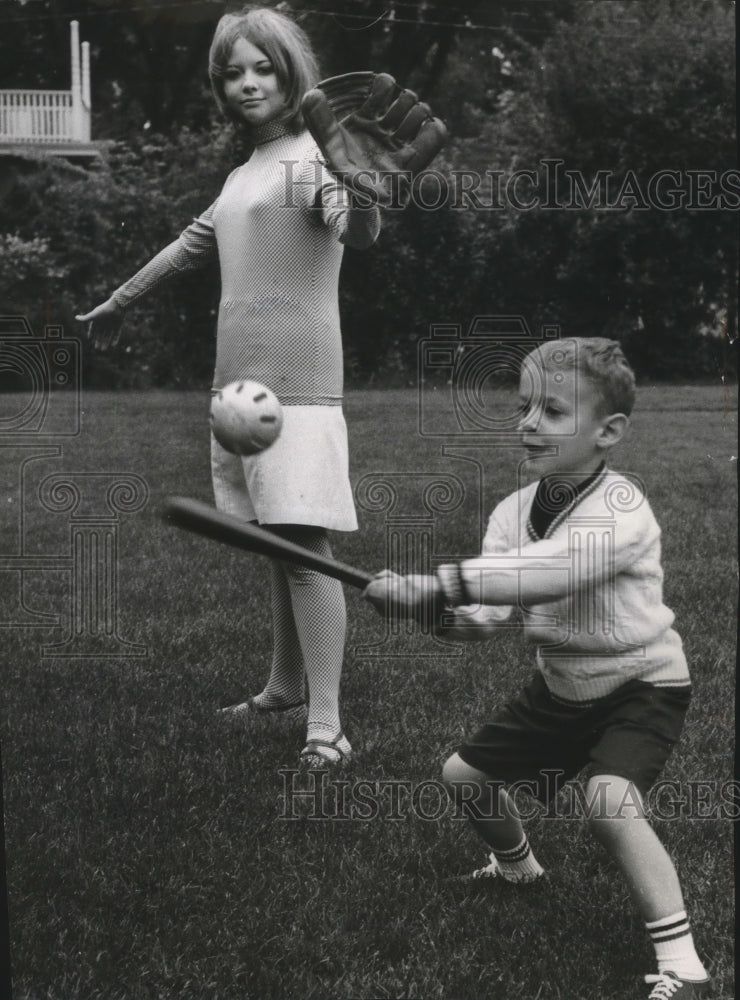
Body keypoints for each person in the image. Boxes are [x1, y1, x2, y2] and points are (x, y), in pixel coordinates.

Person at [77, 5, 385, 767]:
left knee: (305, 547)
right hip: (241, 388)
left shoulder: (316, 158)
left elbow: (357, 228)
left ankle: (328, 723)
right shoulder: (246, 169)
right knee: (277, 542)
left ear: (292, 73)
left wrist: (364, 187)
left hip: (299, 387)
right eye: (232, 72)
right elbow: (192, 243)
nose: (246, 84)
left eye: (262, 68)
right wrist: (118, 302)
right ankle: (283, 686)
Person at [363, 338, 710, 998]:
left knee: (608, 802)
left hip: (642, 683)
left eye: (552, 411)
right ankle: (518, 867)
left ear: (608, 432)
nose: (527, 423)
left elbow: (556, 570)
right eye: (524, 407)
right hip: (562, 686)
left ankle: (683, 964)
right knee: (464, 776)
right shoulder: (510, 515)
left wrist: (438, 583)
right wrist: (425, 612)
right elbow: (486, 618)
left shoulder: (620, 510)